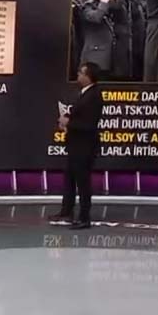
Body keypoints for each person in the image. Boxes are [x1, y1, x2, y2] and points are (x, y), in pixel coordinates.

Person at [50, 62, 102, 229]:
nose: (78, 75)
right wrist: (67, 119)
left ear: (88, 76)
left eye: (81, 73)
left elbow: (89, 124)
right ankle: (67, 210)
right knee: (70, 179)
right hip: (75, 145)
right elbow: (79, 116)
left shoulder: (94, 96)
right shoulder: (83, 94)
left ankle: (84, 218)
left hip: (85, 147)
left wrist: (69, 123)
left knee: (83, 182)